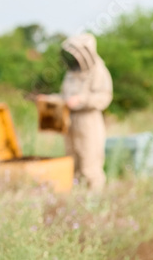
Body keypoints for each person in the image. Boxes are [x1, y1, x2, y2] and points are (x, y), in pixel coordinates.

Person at [54, 33, 112, 191]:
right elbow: (65, 96)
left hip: (89, 122)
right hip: (70, 121)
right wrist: (50, 99)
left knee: (90, 165)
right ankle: (77, 205)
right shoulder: (71, 72)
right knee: (73, 164)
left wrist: (82, 99)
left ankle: (94, 204)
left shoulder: (99, 70)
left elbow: (105, 97)